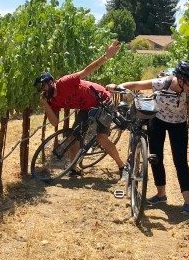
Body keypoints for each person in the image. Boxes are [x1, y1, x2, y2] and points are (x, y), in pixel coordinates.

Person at [107, 60, 189, 215]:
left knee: (180, 161)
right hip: (157, 120)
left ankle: (187, 202)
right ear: (180, 80)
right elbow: (138, 85)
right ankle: (161, 195)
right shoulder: (163, 83)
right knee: (156, 157)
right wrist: (118, 86)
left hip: (178, 124)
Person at [33, 40, 127, 180]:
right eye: (40, 89)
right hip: (86, 107)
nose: (42, 90)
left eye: (43, 86)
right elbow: (54, 122)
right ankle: (74, 168)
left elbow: (87, 70)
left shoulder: (64, 82)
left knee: (101, 138)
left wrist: (106, 56)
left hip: (102, 100)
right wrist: (45, 104)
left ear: (50, 83)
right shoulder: (52, 101)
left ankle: (122, 167)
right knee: (73, 136)